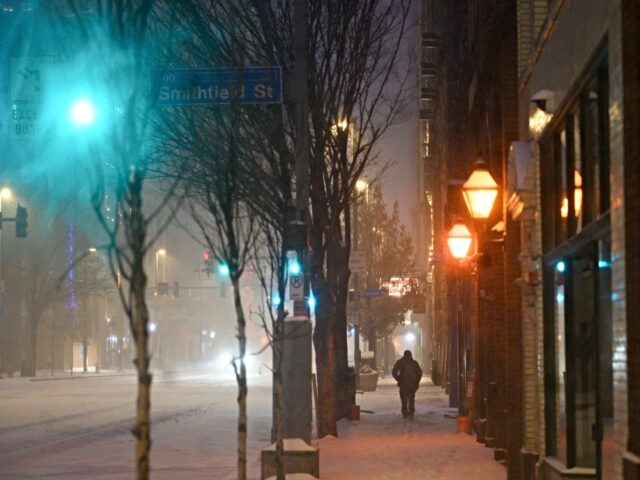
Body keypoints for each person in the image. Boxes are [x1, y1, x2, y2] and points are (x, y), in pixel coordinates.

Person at [392, 350, 423, 419]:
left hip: (403, 384)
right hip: (412, 384)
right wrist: (416, 382)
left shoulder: (400, 362)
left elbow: (394, 371)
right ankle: (411, 412)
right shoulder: (414, 363)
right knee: (411, 398)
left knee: (403, 399)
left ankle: (405, 412)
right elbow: (419, 373)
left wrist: (399, 379)